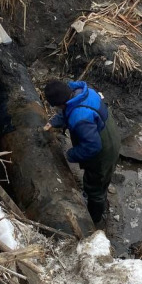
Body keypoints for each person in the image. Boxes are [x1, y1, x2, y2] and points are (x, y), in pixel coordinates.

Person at [43, 79, 120, 227]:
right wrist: (54, 122)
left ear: (59, 104)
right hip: (109, 133)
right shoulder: (83, 92)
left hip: (104, 150)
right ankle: (99, 198)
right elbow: (70, 108)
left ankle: (95, 219)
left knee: (95, 185)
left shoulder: (80, 118)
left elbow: (92, 147)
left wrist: (71, 154)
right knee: (100, 179)